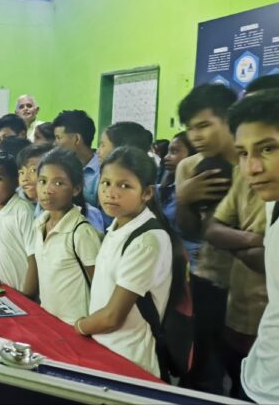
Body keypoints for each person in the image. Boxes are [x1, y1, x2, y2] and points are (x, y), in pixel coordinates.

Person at [77, 147, 186, 379]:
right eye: (106, 183)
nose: (110, 193)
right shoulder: (119, 226)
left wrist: (79, 326)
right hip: (107, 349)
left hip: (130, 359)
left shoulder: (147, 240)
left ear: (146, 193)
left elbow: (112, 317)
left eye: (124, 186)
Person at [175, 83, 237, 393]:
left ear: (228, 120)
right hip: (207, 277)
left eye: (204, 125)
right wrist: (184, 198)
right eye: (190, 129)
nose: (196, 136)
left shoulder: (251, 165)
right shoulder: (188, 166)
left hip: (253, 286)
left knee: (244, 371)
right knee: (202, 367)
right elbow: (189, 230)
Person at [228, 90, 279, 403]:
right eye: (243, 153)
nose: (251, 168)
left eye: (268, 148)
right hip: (262, 374)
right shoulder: (272, 202)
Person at [24, 148, 102, 324]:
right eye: (43, 181)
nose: (47, 190)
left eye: (58, 183)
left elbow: (100, 285)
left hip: (76, 325)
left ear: (76, 189)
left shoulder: (81, 232)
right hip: (49, 322)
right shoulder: (39, 224)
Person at [0, 153, 36, 291]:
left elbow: (34, 258)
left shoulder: (23, 211)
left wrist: (27, 296)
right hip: (6, 291)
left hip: (26, 294)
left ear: (15, 181)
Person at [156, 132, 200, 274]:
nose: (166, 157)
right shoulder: (165, 187)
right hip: (170, 260)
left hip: (193, 264)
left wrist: (183, 197)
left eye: (174, 152)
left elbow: (187, 227)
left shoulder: (200, 188)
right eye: (168, 151)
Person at [52, 110, 100, 209]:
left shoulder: (101, 173)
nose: (54, 143)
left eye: (58, 138)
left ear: (77, 139)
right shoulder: (58, 168)